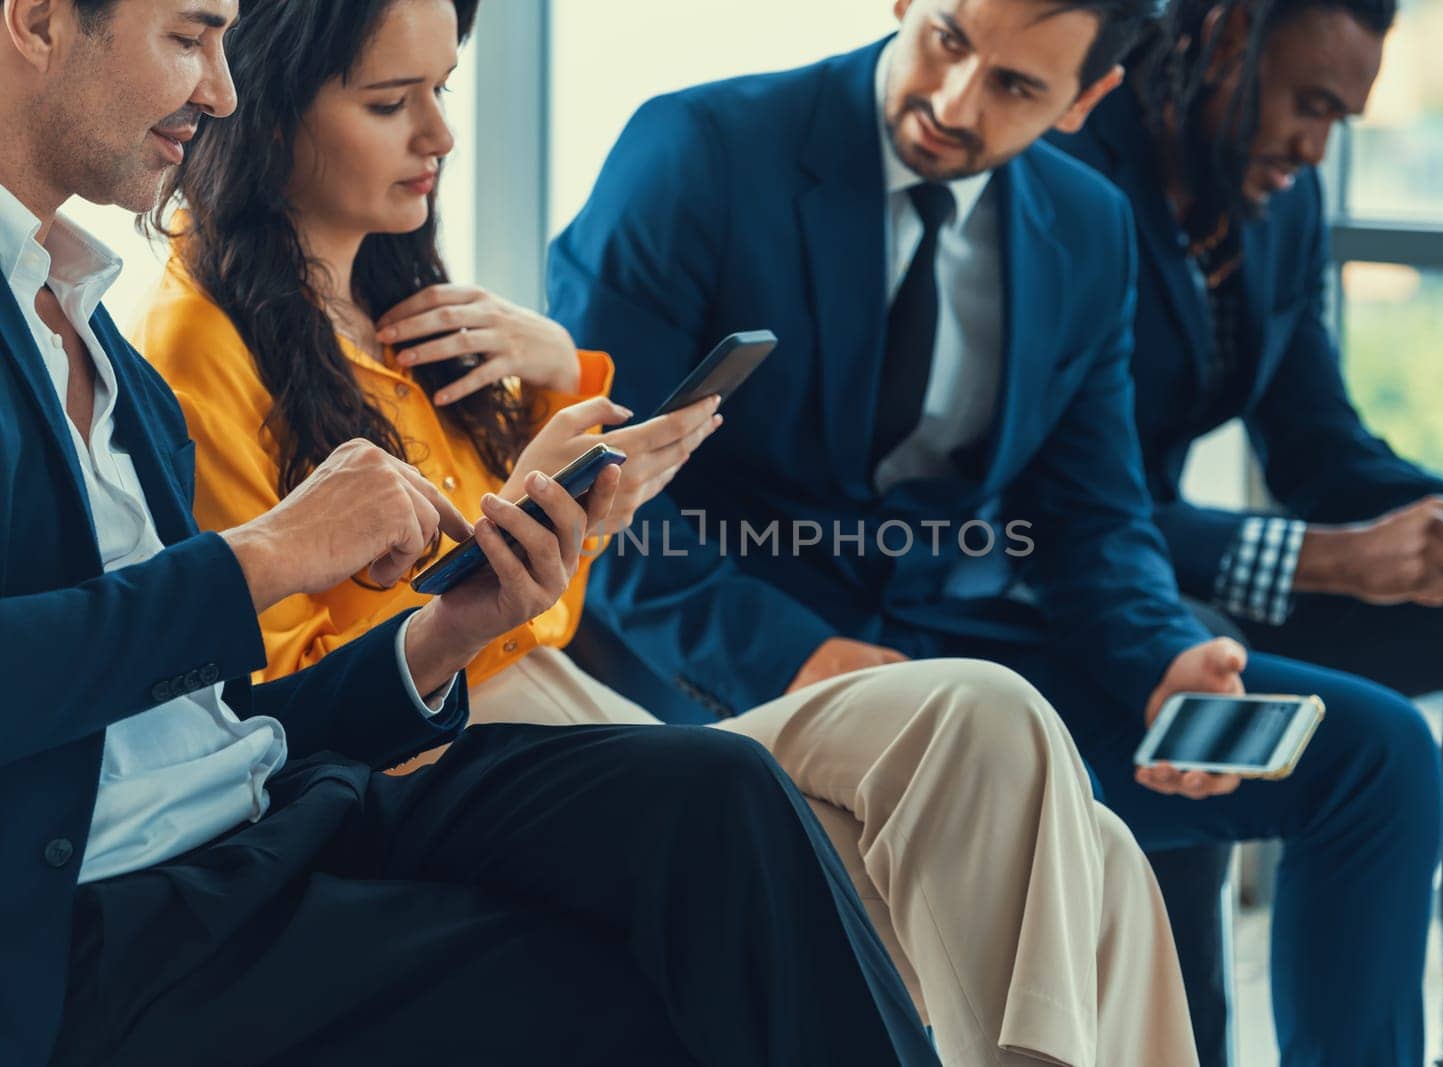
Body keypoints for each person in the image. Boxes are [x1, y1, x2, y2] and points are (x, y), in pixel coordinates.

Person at [133, 1, 1201, 1063]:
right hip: (460, 764)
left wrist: (572, 424)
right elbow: (280, 698)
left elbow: (544, 606)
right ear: (269, 114)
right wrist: (514, 537)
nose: (441, 137)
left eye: (441, 92)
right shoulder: (199, 346)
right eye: (390, 103)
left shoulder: (427, 317)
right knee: (1032, 782)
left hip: (591, 723)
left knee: (1035, 769)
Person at [0, 0, 944, 1063]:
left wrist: (448, 630)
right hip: (124, 909)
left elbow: (211, 720)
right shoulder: (174, 342)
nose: (220, 89)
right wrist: (262, 555)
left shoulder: (101, 347)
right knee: (644, 985)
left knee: (717, 794)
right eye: (187, 37)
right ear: (37, 21)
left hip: (270, 806)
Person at [546, 0, 1443, 1062]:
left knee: (1375, 754)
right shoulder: (697, 153)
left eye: (1019, 87)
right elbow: (595, 495)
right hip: (722, 663)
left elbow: (1091, 516)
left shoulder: (1084, 226)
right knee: (966, 768)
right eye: (946, 37)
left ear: (1087, 100)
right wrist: (803, 657)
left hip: (949, 648)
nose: (951, 102)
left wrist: (1163, 658)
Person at [1049, 2, 1443, 1064]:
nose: (1316, 146)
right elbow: (1066, 505)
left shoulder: (1278, 211)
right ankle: (1183, 1042)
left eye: (1342, 118)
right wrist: (1323, 557)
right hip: (1075, 582)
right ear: (1217, 38)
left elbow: (1318, 449)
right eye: (1307, 104)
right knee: (1201, 653)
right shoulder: (1072, 169)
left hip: (1192, 563)